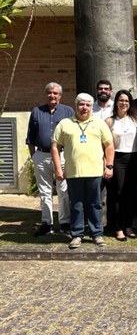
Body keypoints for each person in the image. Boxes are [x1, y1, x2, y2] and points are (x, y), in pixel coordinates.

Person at [51, 93, 115, 249]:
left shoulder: (99, 123)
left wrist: (109, 166)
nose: (84, 107)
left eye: (87, 105)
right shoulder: (65, 124)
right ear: (76, 105)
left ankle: (97, 234)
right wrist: (58, 168)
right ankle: (77, 235)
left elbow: (109, 145)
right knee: (76, 205)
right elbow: (55, 146)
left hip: (95, 172)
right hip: (73, 173)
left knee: (95, 204)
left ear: (91, 107)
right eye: (81, 104)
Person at [26, 82, 74, 236]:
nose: (52, 95)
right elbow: (30, 136)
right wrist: (34, 156)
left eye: (55, 93)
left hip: (62, 155)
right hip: (42, 155)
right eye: (49, 93)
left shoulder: (68, 111)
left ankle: (65, 223)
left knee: (63, 190)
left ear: (60, 95)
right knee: (44, 191)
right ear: (46, 94)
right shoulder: (36, 111)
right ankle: (47, 223)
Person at [106, 90, 137, 241]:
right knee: (118, 193)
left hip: (134, 158)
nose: (124, 103)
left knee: (131, 193)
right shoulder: (109, 121)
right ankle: (118, 227)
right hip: (117, 159)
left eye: (127, 101)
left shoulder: (136, 120)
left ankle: (128, 225)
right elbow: (106, 144)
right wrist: (107, 164)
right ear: (116, 102)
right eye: (121, 100)